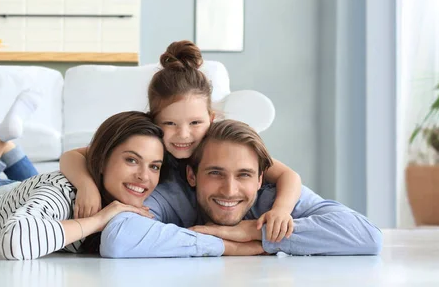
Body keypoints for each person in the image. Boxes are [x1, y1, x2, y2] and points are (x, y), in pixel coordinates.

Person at [60, 40, 303, 244]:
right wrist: (86, 186)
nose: (184, 135)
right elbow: (72, 155)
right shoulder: (149, 141)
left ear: (211, 118)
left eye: (195, 123)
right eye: (170, 124)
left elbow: (288, 175)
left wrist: (280, 210)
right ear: (154, 121)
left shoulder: (221, 145)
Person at [0, 85, 170, 260]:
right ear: (100, 160)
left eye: (154, 166)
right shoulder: (60, 195)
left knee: (32, 187)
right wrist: (97, 220)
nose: (144, 176)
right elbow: (16, 241)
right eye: (131, 160)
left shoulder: (141, 198)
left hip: (24, 193)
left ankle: (0, 135)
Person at [100, 120, 384, 257]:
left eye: (244, 175)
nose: (229, 190)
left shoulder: (272, 197)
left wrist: (251, 232)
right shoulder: (173, 194)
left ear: (261, 179)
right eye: (215, 173)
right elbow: (119, 238)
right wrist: (225, 245)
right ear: (192, 175)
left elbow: (368, 237)